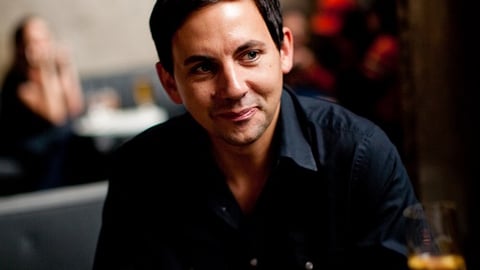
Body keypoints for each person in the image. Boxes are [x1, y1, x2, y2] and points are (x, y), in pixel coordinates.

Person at [93, 0, 419, 269]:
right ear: (169, 83)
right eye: (203, 68)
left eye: (249, 55)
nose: (233, 89)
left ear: (284, 52)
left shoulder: (360, 155)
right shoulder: (139, 172)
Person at [0, 15, 85, 193]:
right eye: (34, 41)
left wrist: (67, 67)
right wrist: (45, 68)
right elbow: (55, 116)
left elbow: (75, 107)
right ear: (22, 47)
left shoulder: (52, 72)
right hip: (30, 148)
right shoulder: (17, 82)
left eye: (45, 39)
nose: (42, 47)